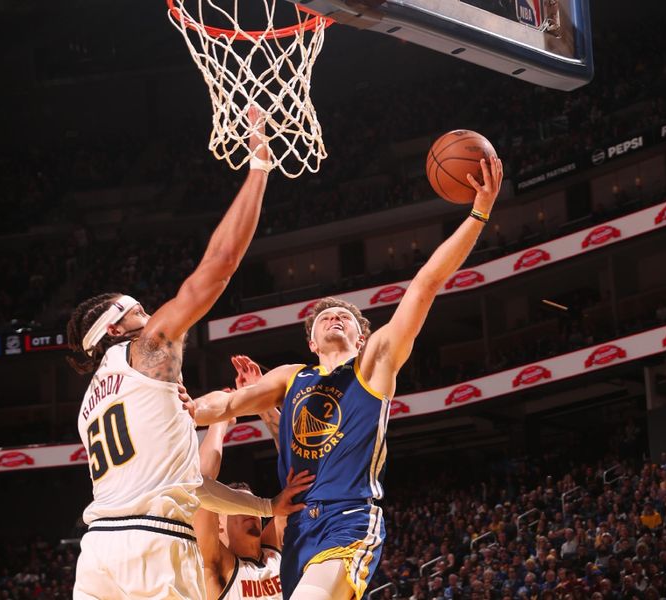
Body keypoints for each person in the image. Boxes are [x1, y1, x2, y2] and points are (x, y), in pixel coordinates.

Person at [185, 156, 503, 599]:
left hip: (348, 517)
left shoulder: (374, 365)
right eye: (323, 317)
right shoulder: (292, 377)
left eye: (346, 316)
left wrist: (479, 213)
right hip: (296, 530)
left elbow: (426, 283)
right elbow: (225, 406)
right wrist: (181, 409)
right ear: (312, 343)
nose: (333, 315)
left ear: (362, 337)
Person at [67, 109, 312, 600]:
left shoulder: (90, 404)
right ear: (115, 327)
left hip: (96, 552)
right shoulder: (146, 349)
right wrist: (259, 168)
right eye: (138, 309)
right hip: (155, 545)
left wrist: (265, 506)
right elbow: (217, 268)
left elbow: (189, 485)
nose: (151, 312)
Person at [193, 358, 286, 599]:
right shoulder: (218, 567)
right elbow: (199, 481)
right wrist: (219, 422)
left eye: (252, 505)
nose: (251, 510)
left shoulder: (276, 553)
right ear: (219, 523)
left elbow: (294, 467)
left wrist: (260, 398)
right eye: (238, 506)